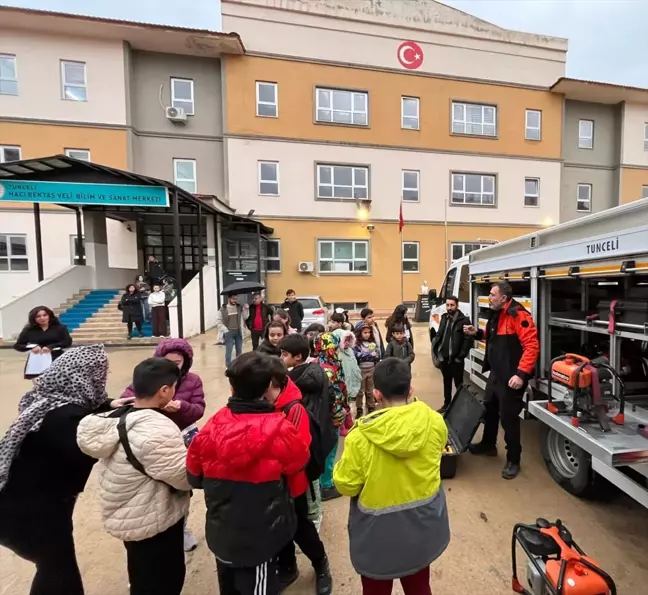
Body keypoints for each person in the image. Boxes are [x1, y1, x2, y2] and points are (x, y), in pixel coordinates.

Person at [0, 345, 126, 595]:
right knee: (57, 572)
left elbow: (82, 412)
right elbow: (93, 442)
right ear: (84, 376)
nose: (105, 378)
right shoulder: (67, 421)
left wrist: (111, 404)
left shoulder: (47, 400)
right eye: (102, 373)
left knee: (57, 569)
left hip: (15, 505)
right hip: (32, 515)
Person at [186, 352, 310, 595]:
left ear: (232, 387)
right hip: (262, 537)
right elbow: (298, 470)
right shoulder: (282, 429)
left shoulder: (212, 426)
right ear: (267, 387)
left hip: (222, 532)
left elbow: (194, 477)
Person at [333, 358, 450, 595]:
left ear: (376, 394)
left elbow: (346, 485)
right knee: (419, 586)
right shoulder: (435, 421)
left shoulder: (360, 437)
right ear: (411, 389)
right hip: (422, 528)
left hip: (378, 537)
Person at [77, 358, 191, 595]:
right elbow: (183, 476)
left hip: (129, 513)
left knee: (141, 572)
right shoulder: (155, 430)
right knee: (163, 579)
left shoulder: (116, 416)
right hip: (153, 518)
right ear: (164, 391)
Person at [120, 338, 206, 552]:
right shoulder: (148, 379)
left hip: (182, 437)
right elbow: (128, 400)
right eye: (168, 361)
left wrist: (182, 406)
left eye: (177, 362)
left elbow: (198, 410)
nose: (173, 365)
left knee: (182, 483)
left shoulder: (193, 381)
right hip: (153, 438)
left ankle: (182, 527)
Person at [265, 355, 334, 594]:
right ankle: (288, 567)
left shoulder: (294, 409)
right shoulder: (261, 404)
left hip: (293, 484)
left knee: (300, 527)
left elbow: (296, 453)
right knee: (277, 530)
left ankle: (321, 563)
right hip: (270, 485)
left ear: (278, 384)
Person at [463, 282, 539, 480]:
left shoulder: (518, 315)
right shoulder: (497, 312)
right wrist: (477, 333)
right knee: (489, 409)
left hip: (511, 378)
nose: (489, 297)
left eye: (492, 294)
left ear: (503, 298)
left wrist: (521, 375)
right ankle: (488, 444)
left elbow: (531, 346)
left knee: (508, 418)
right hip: (497, 374)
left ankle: (514, 459)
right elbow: (493, 335)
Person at [280, 334, 337, 535]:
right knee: (313, 477)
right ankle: (315, 514)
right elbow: (330, 398)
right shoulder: (319, 371)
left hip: (307, 432)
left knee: (309, 479)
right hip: (319, 428)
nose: (281, 357)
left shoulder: (292, 381)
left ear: (297, 357)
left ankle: (314, 519)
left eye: (284, 354)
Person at [313, 332, 350, 502]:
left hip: (324, 415)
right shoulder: (327, 368)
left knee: (326, 448)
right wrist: (339, 414)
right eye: (333, 347)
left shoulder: (322, 363)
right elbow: (333, 394)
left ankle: (323, 481)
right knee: (329, 449)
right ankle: (326, 485)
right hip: (330, 417)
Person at [431, 296, 474, 413]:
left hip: (456, 360)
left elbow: (468, 340)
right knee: (447, 382)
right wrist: (436, 349)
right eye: (447, 305)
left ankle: (460, 407)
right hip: (444, 358)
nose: (449, 308)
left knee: (459, 384)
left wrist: (460, 357)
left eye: (452, 305)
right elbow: (440, 334)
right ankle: (447, 404)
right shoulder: (444, 317)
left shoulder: (464, 320)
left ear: (457, 306)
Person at [13, 306, 73, 379]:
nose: (42, 318)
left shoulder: (60, 328)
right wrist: (32, 347)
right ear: (34, 319)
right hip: (37, 360)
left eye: (45, 315)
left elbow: (67, 342)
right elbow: (18, 345)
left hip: (57, 359)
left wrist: (51, 346)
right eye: (38, 316)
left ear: (49, 316)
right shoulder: (28, 330)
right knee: (40, 385)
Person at [353, 324, 380, 418]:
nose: (367, 334)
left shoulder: (373, 344)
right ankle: (359, 408)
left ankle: (371, 407)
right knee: (360, 391)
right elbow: (357, 356)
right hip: (360, 371)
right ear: (360, 333)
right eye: (365, 332)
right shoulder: (356, 345)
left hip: (371, 370)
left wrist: (372, 356)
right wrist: (370, 355)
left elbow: (377, 356)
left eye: (369, 332)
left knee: (370, 391)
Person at [216, 294, 250, 367]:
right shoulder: (222, 309)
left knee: (239, 350)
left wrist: (246, 309)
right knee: (229, 351)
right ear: (229, 298)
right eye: (233, 299)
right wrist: (225, 330)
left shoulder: (239, 308)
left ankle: (238, 366)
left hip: (239, 332)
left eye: (236, 299)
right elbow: (218, 322)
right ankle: (228, 366)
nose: (235, 301)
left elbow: (245, 317)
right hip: (229, 332)